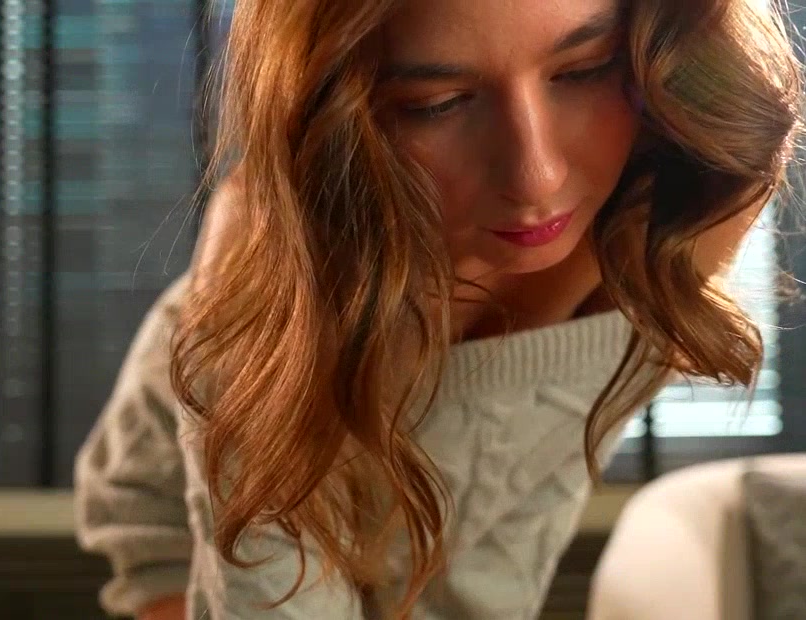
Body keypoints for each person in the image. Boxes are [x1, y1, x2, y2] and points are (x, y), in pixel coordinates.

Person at [74, 0, 802, 618]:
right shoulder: (281, 253)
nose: (536, 177)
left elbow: (510, 530)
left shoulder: (696, 194)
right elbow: (238, 567)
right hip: (188, 555)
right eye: (437, 103)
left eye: (582, 69)